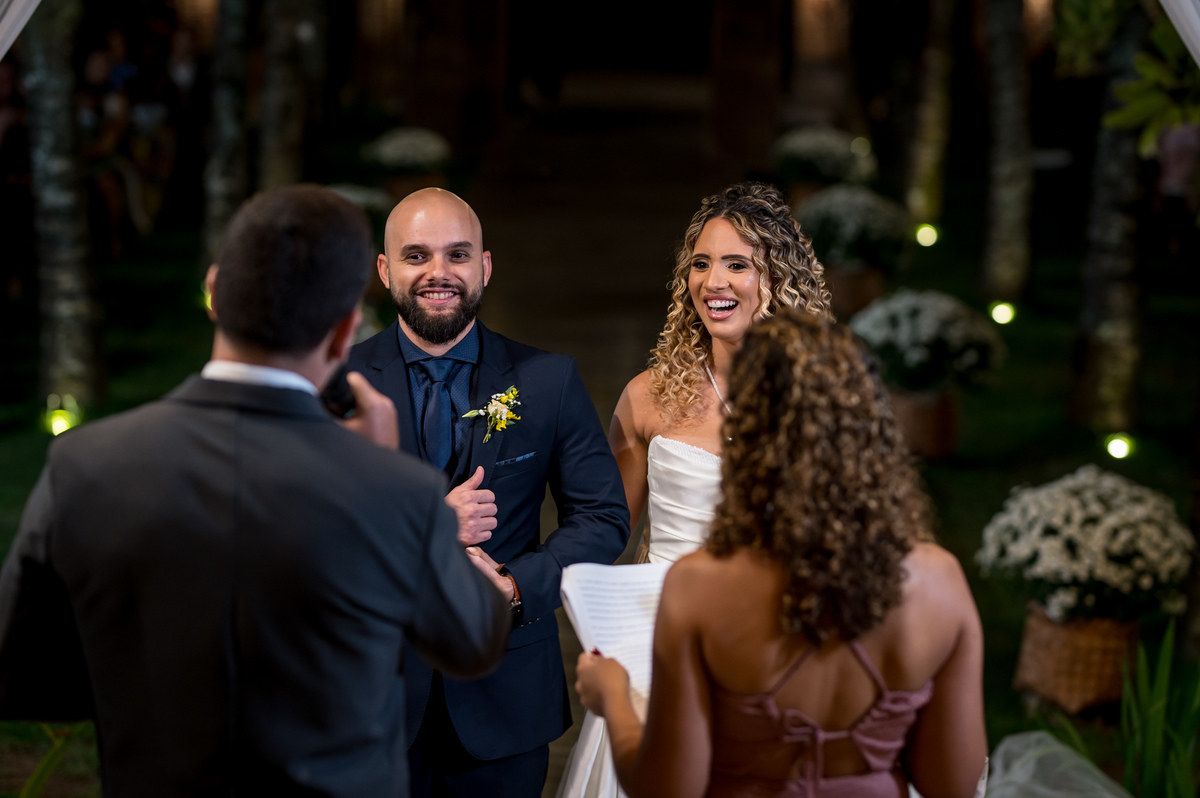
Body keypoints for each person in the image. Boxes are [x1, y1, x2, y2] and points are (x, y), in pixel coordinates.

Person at [0, 185, 511, 796]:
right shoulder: (389, 483)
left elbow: (20, 675)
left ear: (215, 292)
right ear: (344, 331)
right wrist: (383, 479)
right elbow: (475, 639)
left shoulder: (83, 465)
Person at [575, 313, 987, 798]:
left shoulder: (698, 586)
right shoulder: (938, 581)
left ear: (748, 430)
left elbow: (666, 788)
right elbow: (953, 784)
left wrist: (614, 697)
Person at [348, 187, 630, 798]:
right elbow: (302, 533)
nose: (439, 273)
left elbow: (604, 517)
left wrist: (517, 587)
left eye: (457, 254)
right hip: (369, 699)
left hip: (506, 699)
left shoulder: (548, 380)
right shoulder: (337, 385)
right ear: (385, 270)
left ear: (485, 266)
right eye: (417, 256)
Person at [558, 181, 832, 798]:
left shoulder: (821, 398)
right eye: (701, 264)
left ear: (779, 279)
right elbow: (603, 526)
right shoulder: (649, 396)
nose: (714, 282)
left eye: (737, 264)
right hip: (661, 644)